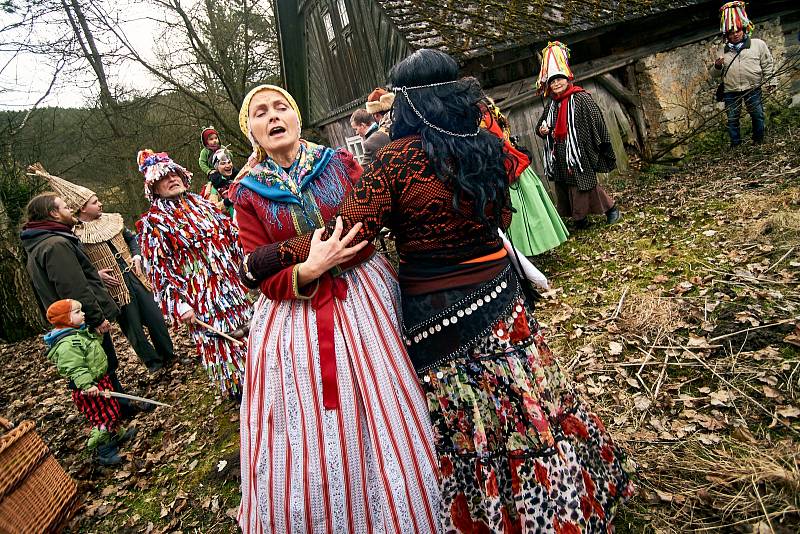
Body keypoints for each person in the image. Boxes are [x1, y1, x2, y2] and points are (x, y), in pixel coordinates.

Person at [241, 50, 634, 533]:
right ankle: (575, 500)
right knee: (529, 401)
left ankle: (507, 518)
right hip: (503, 299)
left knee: (476, 421)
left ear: (408, 103)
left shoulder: (393, 161)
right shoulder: (487, 145)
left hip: (440, 312)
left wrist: (266, 259)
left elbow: (351, 230)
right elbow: (503, 218)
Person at [230, 84, 441, 534]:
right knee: (314, 424)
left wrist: (333, 252)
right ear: (251, 131)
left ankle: (408, 500)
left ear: (296, 117)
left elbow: (368, 218)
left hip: (365, 292)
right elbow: (259, 274)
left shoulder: (339, 164)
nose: (273, 116)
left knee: (390, 397)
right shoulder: (247, 195)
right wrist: (309, 268)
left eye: (281, 106)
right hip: (297, 319)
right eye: (260, 112)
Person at [32, 165, 175, 372]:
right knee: (133, 328)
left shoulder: (112, 219)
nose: (100, 204)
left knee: (156, 319)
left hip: (135, 278)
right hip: (113, 287)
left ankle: (168, 354)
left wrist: (135, 254)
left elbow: (130, 238)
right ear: (82, 208)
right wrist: (97, 275)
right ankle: (153, 363)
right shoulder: (74, 234)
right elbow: (78, 264)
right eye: (94, 202)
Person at [136, 149, 252, 399]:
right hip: (201, 300)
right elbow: (159, 274)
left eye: (174, 174)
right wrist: (179, 305)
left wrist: (247, 258)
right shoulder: (153, 225)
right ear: (153, 188)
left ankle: (266, 374)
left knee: (250, 329)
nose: (172, 179)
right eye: (163, 178)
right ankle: (241, 392)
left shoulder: (203, 205)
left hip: (232, 287)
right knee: (223, 345)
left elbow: (231, 235)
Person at [20, 192, 140, 417]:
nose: (70, 210)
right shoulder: (55, 245)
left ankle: (122, 407)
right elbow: (73, 287)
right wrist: (96, 318)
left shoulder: (44, 243)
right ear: (53, 214)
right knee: (98, 367)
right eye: (65, 207)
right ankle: (110, 424)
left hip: (74, 321)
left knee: (103, 365)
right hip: (79, 322)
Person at [535, 42, 620, 230]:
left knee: (584, 184)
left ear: (568, 79)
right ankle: (584, 219)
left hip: (580, 152)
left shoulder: (581, 98)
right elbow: (540, 127)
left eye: (559, 79)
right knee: (569, 186)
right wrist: (542, 130)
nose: (556, 83)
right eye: (552, 81)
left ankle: (604, 211)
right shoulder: (552, 104)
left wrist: (595, 145)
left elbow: (597, 120)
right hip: (559, 154)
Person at [44, 299, 138, 465]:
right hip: (89, 388)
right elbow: (76, 368)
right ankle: (104, 450)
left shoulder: (78, 333)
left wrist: (98, 335)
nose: (83, 314)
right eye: (77, 312)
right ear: (65, 319)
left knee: (111, 409)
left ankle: (117, 433)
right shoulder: (67, 344)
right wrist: (87, 385)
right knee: (102, 416)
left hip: (99, 381)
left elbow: (91, 349)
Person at [480, 98, 569, 256]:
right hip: (508, 163)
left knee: (518, 211)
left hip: (505, 167)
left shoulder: (484, 115)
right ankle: (529, 250)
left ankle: (522, 251)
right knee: (527, 208)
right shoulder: (489, 111)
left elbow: (497, 139)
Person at [712, 2, 775, 147]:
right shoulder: (722, 50)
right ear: (727, 35)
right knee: (732, 119)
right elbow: (714, 74)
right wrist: (717, 66)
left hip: (752, 87)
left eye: (737, 31)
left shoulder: (758, 44)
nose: (735, 35)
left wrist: (772, 81)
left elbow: (767, 64)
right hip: (731, 90)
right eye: (731, 33)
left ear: (744, 30)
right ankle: (736, 145)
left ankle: (758, 141)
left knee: (757, 115)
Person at [201, 147, 239, 216]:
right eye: (223, 163)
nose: (228, 166)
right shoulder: (213, 187)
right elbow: (212, 209)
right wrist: (227, 202)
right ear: (216, 167)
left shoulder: (239, 179)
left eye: (229, 162)